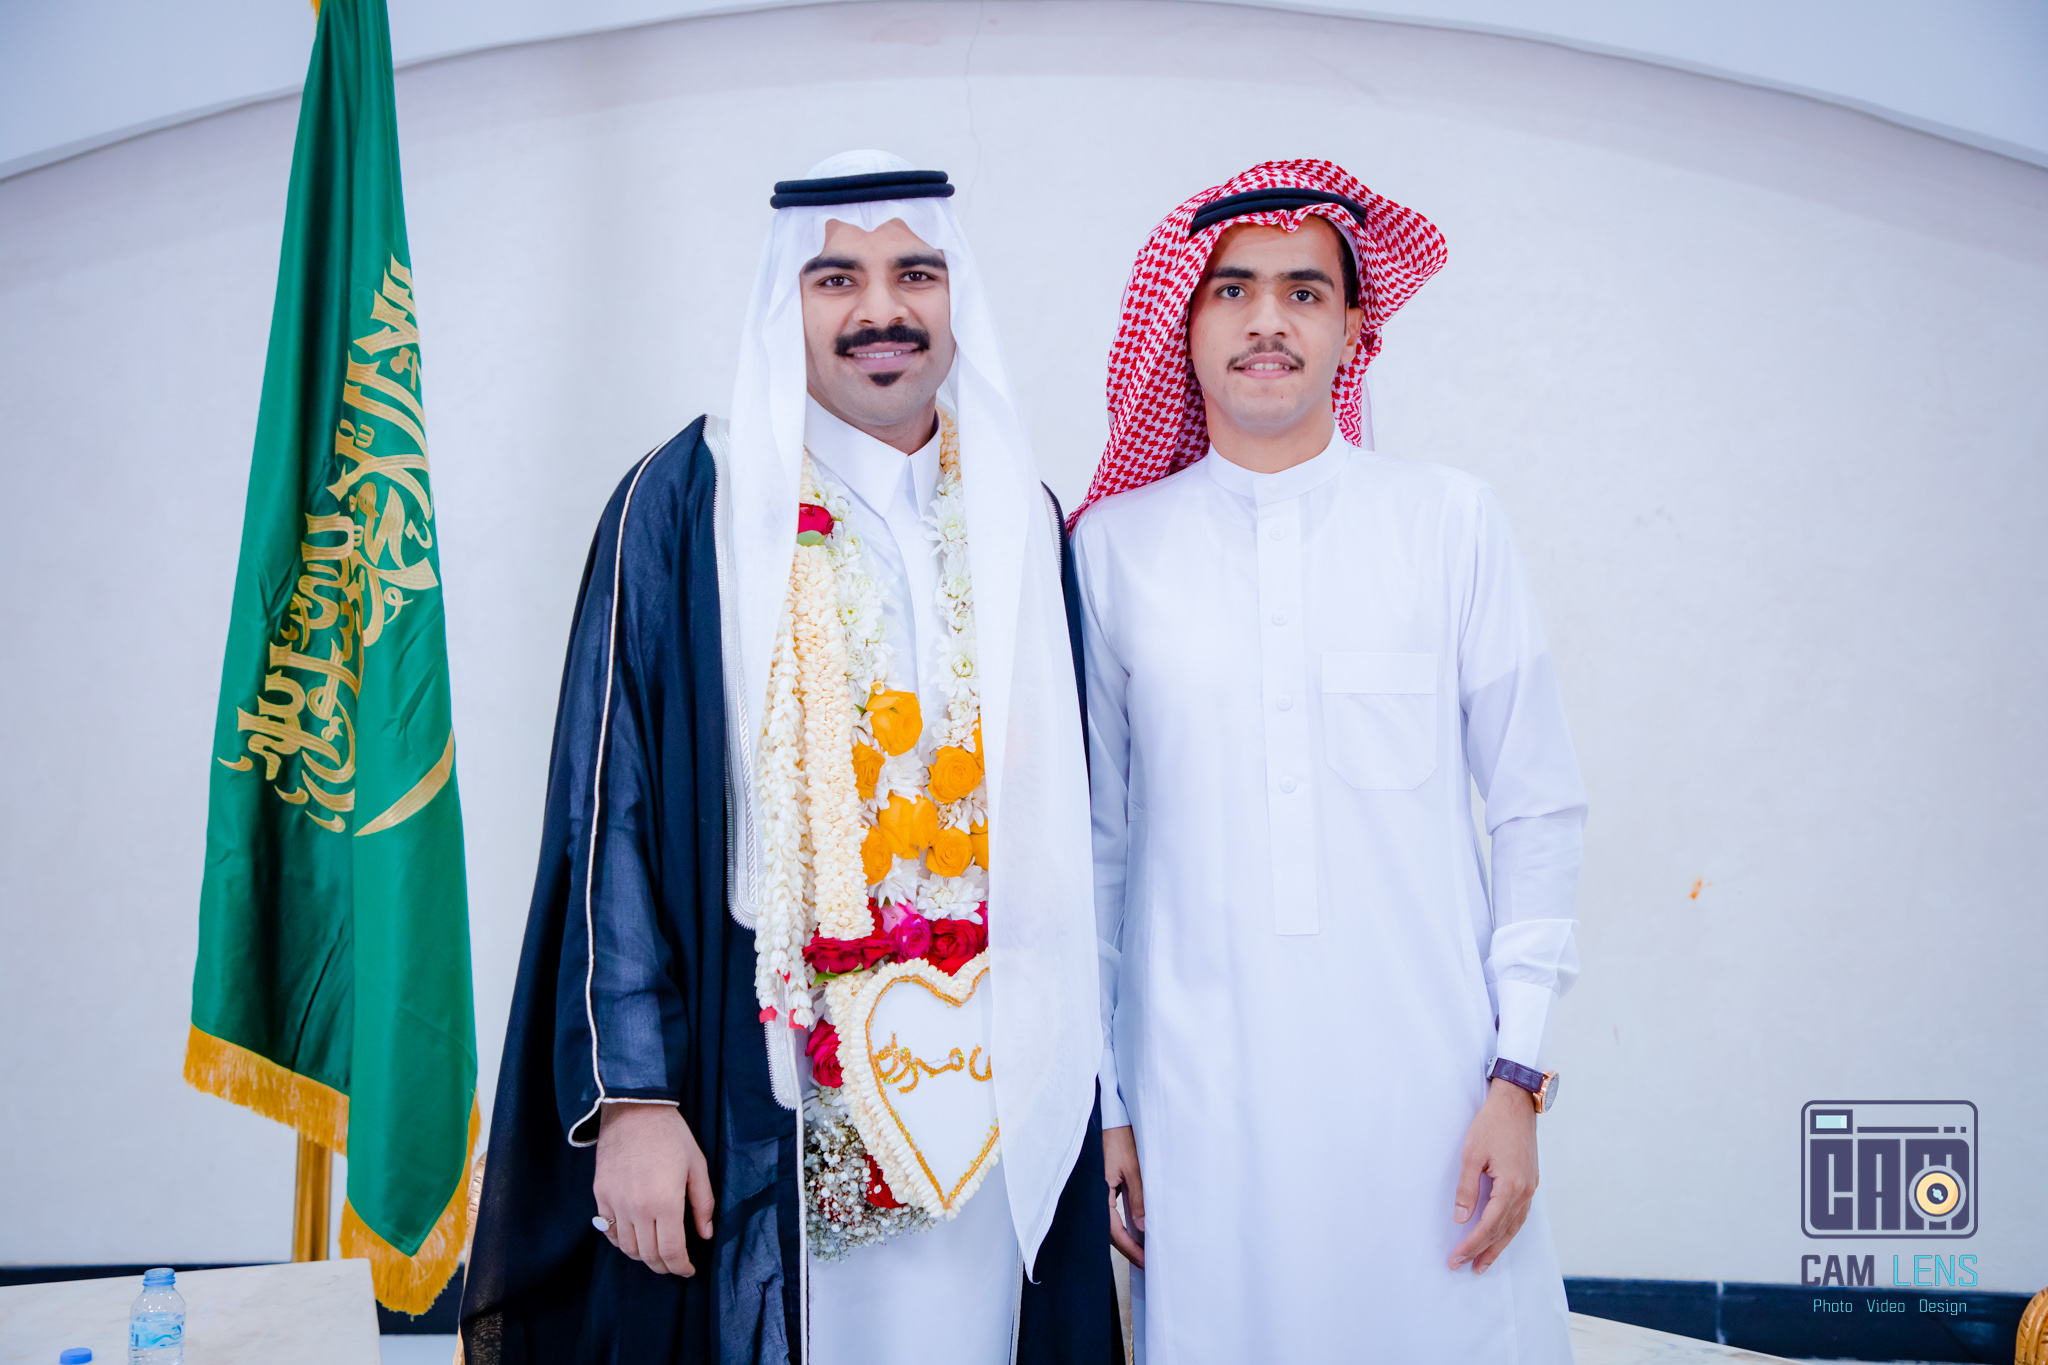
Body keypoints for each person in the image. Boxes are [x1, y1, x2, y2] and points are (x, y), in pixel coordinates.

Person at [459, 150, 1119, 1365]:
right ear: (786, 301)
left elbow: (1076, 832)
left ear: (955, 295)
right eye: (836, 279)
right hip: (763, 1083)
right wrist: (633, 1099)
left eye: (914, 273)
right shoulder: (690, 501)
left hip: (990, 1085)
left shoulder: (1019, 515)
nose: (882, 309)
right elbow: (610, 811)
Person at [1073, 160, 1586, 1362]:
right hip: (1202, 1098)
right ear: (1182, 323)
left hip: (1431, 1096)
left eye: (1302, 292)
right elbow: (1088, 855)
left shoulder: (1448, 522)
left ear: (1354, 328)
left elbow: (1536, 809)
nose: (1266, 320)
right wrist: (1106, 1109)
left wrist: (1516, 1076)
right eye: (1231, 290)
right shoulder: (1111, 552)